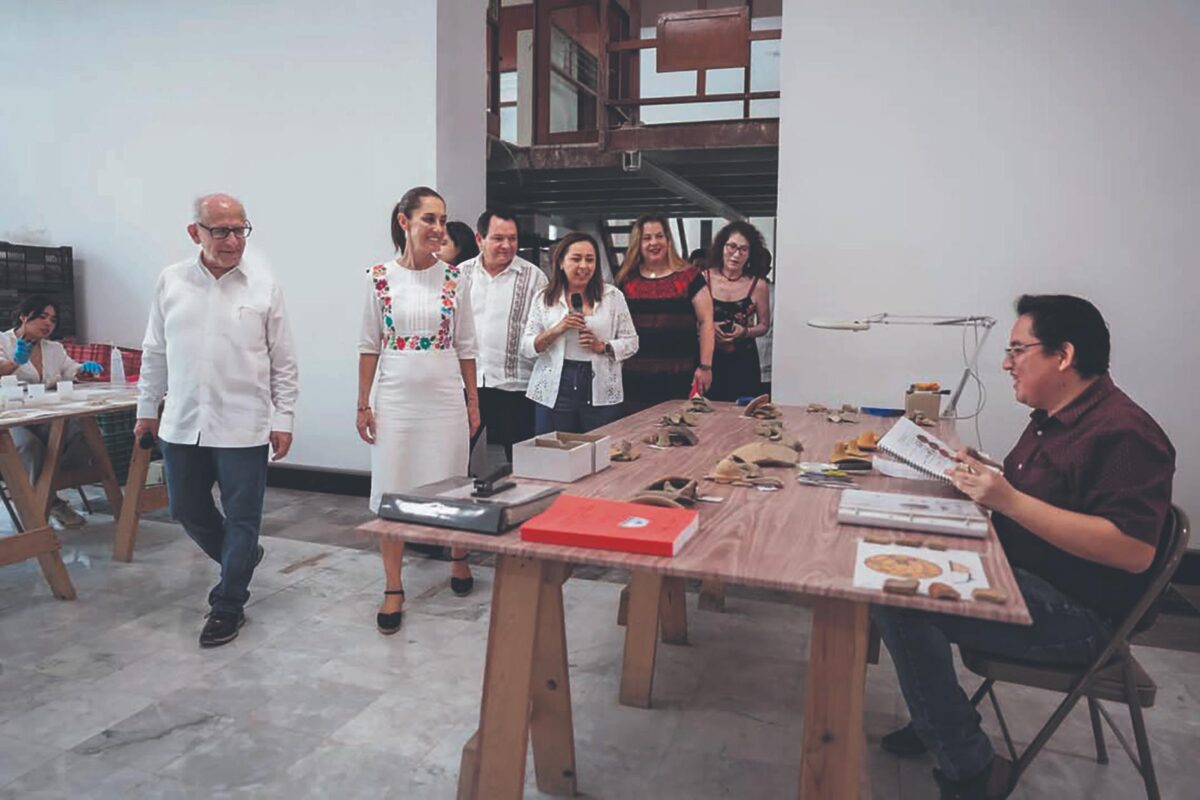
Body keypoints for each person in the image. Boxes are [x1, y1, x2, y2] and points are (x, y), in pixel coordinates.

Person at [872, 294, 1175, 799]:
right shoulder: (1055, 414)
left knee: (898, 598)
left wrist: (1008, 500)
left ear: (1063, 356)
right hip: (1024, 574)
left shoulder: (1124, 433)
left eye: (1018, 349)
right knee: (890, 556)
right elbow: (1039, 493)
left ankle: (967, 763)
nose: (1006, 363)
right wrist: (986, 473)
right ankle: (938, 717)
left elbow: (1133, 550)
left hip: (1081, 616)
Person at [135, 194, 299, 648]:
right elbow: (154, 351)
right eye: (221, 230)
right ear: (196, 233)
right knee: (185, 509)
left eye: (240, 229)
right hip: (182, 422)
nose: (232, 240)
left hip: (244, 424)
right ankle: (241, 557)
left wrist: (283, 416)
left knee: (243, 518)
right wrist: (146, 410)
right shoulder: (170, 282)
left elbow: (283, 362)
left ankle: (228, 603)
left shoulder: (264, 288)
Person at [358, 187, 481, 635]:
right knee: (392, 489)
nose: (438, 229)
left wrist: (472, 400)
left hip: (445, 396)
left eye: (442, 220)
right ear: (404, 221)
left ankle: (459, 556)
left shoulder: (455, 279)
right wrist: (363, 403)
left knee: (452, 484)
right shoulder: (378, 278)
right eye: (429, 218)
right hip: (395, 399)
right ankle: (393, 586)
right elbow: (369, 345)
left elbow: (467, 345)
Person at [0, 296, 104, 528]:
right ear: (24, 317)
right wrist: (16, 361)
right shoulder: (3, 342)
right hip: (10, 417)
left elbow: (70, 370)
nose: (48, 323)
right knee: (29, 446)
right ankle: (42, 508)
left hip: (45, 415)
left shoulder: (54, 348)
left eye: (53, 319)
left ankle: (47, 492)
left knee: (79, 434)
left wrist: (83, 371)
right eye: (42, 317)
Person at [523, 232, 638, 433]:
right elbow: (526, 346)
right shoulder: (544, 297)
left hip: (599, 383)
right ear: (560, 262)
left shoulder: (612, 297)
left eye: (590, 259)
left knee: (601, 452)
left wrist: (603, 346)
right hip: (555, 384)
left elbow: (632, 342)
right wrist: (557, 329)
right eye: (576, 259)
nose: (584, 266)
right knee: (554, 451)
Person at [458, 210, 547, 461]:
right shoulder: (460, 275)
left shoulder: (535, 278)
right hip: (467, 386)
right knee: (455, 459)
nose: (507, 246)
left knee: (523, 466)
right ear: (479, 239)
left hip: (516, 387)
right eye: (498, 238)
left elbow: (542, 329)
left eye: (513, 238)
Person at [615, 214, 714, 414]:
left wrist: (705, 367)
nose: (654, 243)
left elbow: (706, 322)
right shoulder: (626, 280)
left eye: (659, 236)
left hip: (681, 374)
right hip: (635, 378)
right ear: (638, 243)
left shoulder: (690, 277)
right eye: (647, 238)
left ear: (668, 240)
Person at [703, 221, 772, 401]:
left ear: (750, 254)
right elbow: (690, 319)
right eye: (732, 246)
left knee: (744, 418)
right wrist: (709, 326)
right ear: (721, 247)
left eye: (743, 249)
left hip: (744, 361)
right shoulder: (703, 278)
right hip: (707, 359)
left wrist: (745, 332)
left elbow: (764, 325)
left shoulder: (759, 285)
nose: (736, 254)